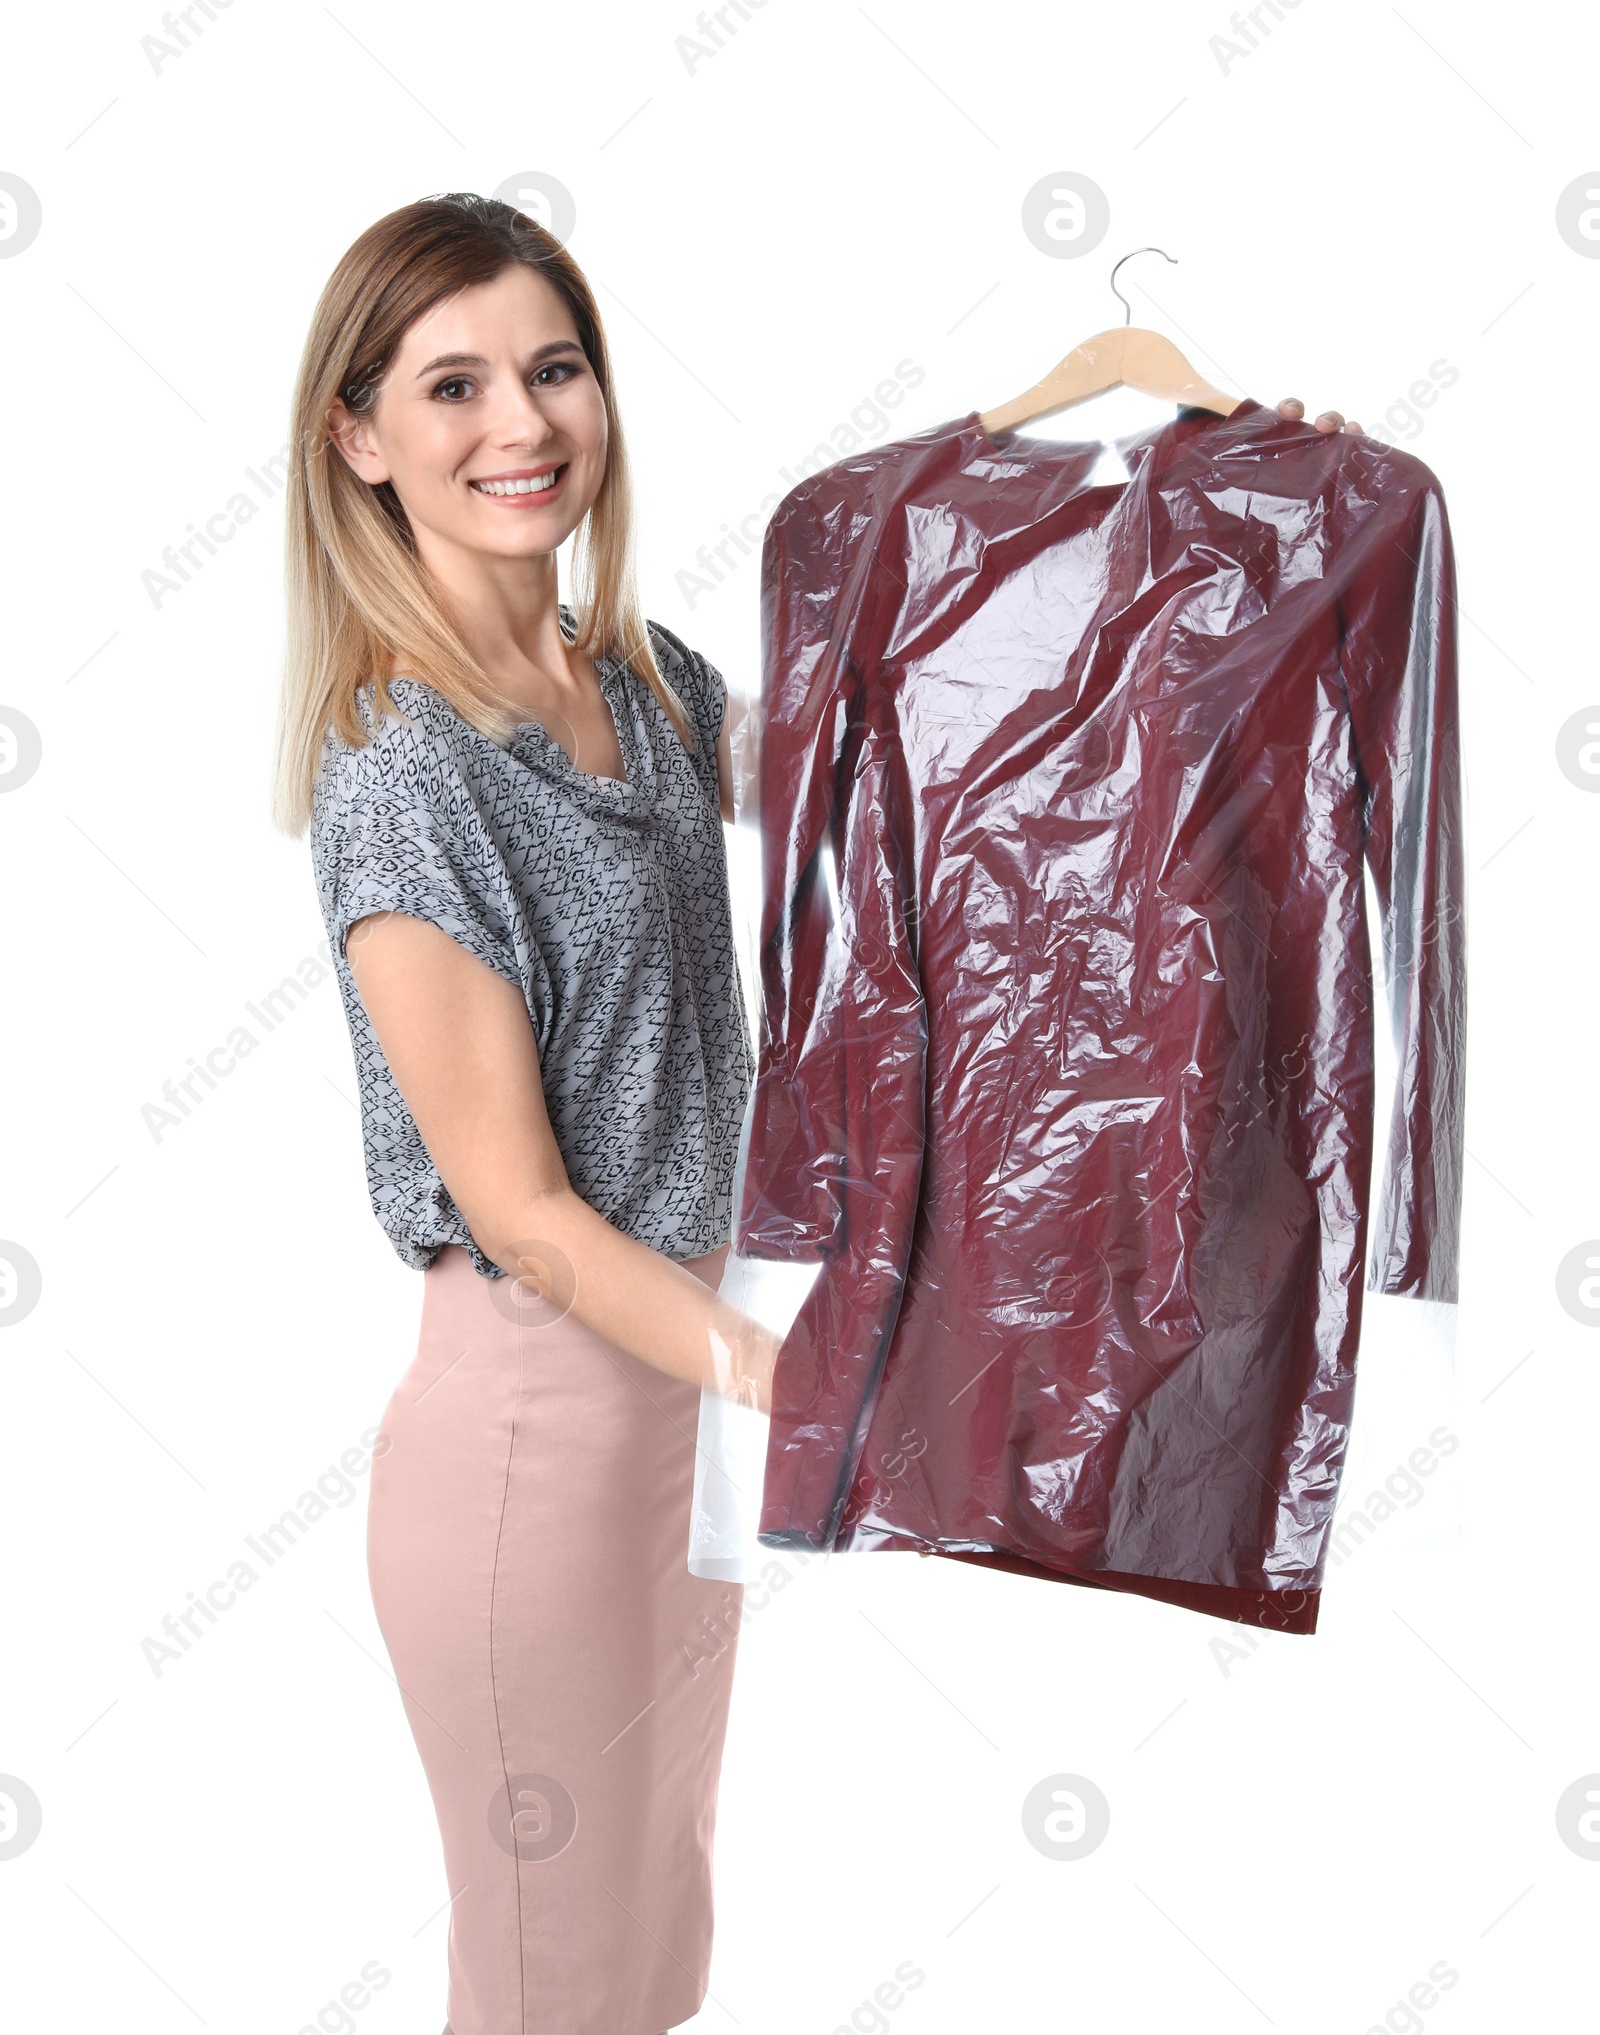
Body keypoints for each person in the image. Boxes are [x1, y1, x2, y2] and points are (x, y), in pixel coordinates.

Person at [270, 189, 1364, 2035]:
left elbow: (934, 767)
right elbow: (527, 1217)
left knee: (650, 1963)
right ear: (358, 439)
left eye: (554, 370)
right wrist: (808, 1379)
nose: (521, 427)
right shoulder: (401, 770)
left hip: (675, 1436)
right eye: (450, 388)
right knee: (553, 1992)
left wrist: (1220, 540)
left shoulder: (636, 678)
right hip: (536, 1435)